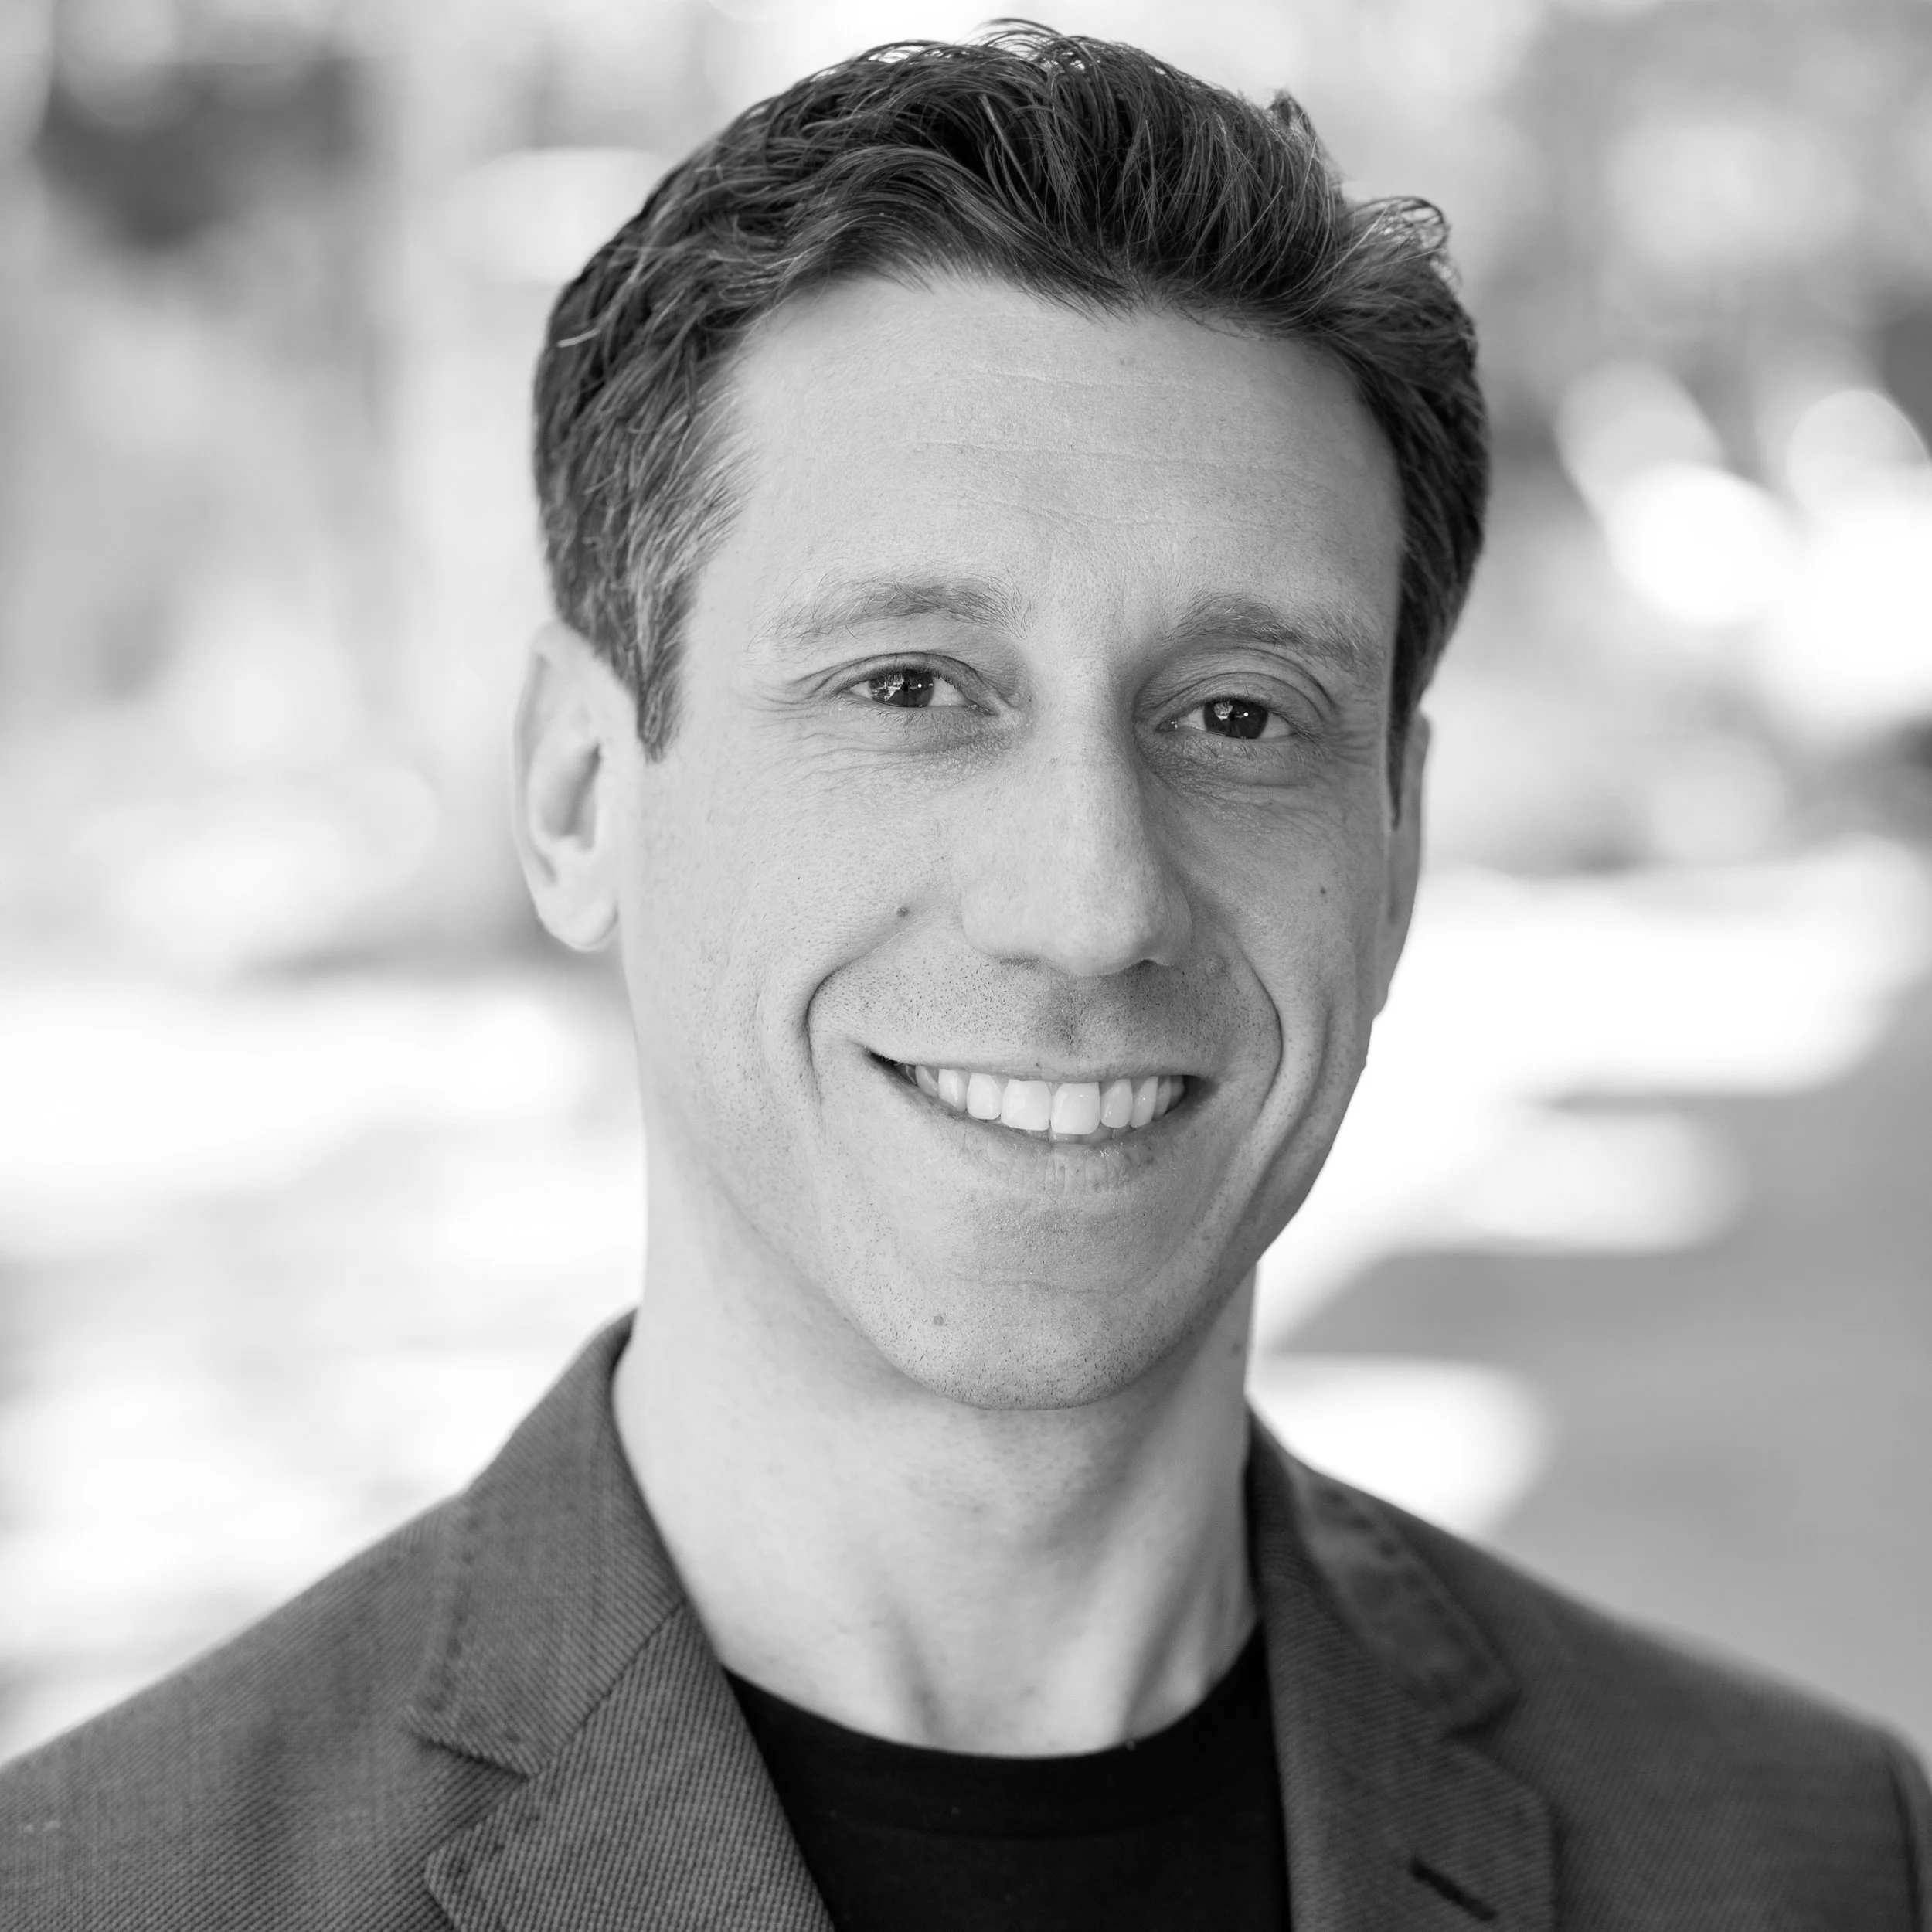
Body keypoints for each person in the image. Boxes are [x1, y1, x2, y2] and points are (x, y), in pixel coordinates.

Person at [3, 26, 1927, 1930]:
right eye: (910, 685)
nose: (1090, 903)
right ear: (580, 791)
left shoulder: (1809, 1858)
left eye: (1239, 714)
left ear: (1396, 838)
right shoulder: (97, 1891)